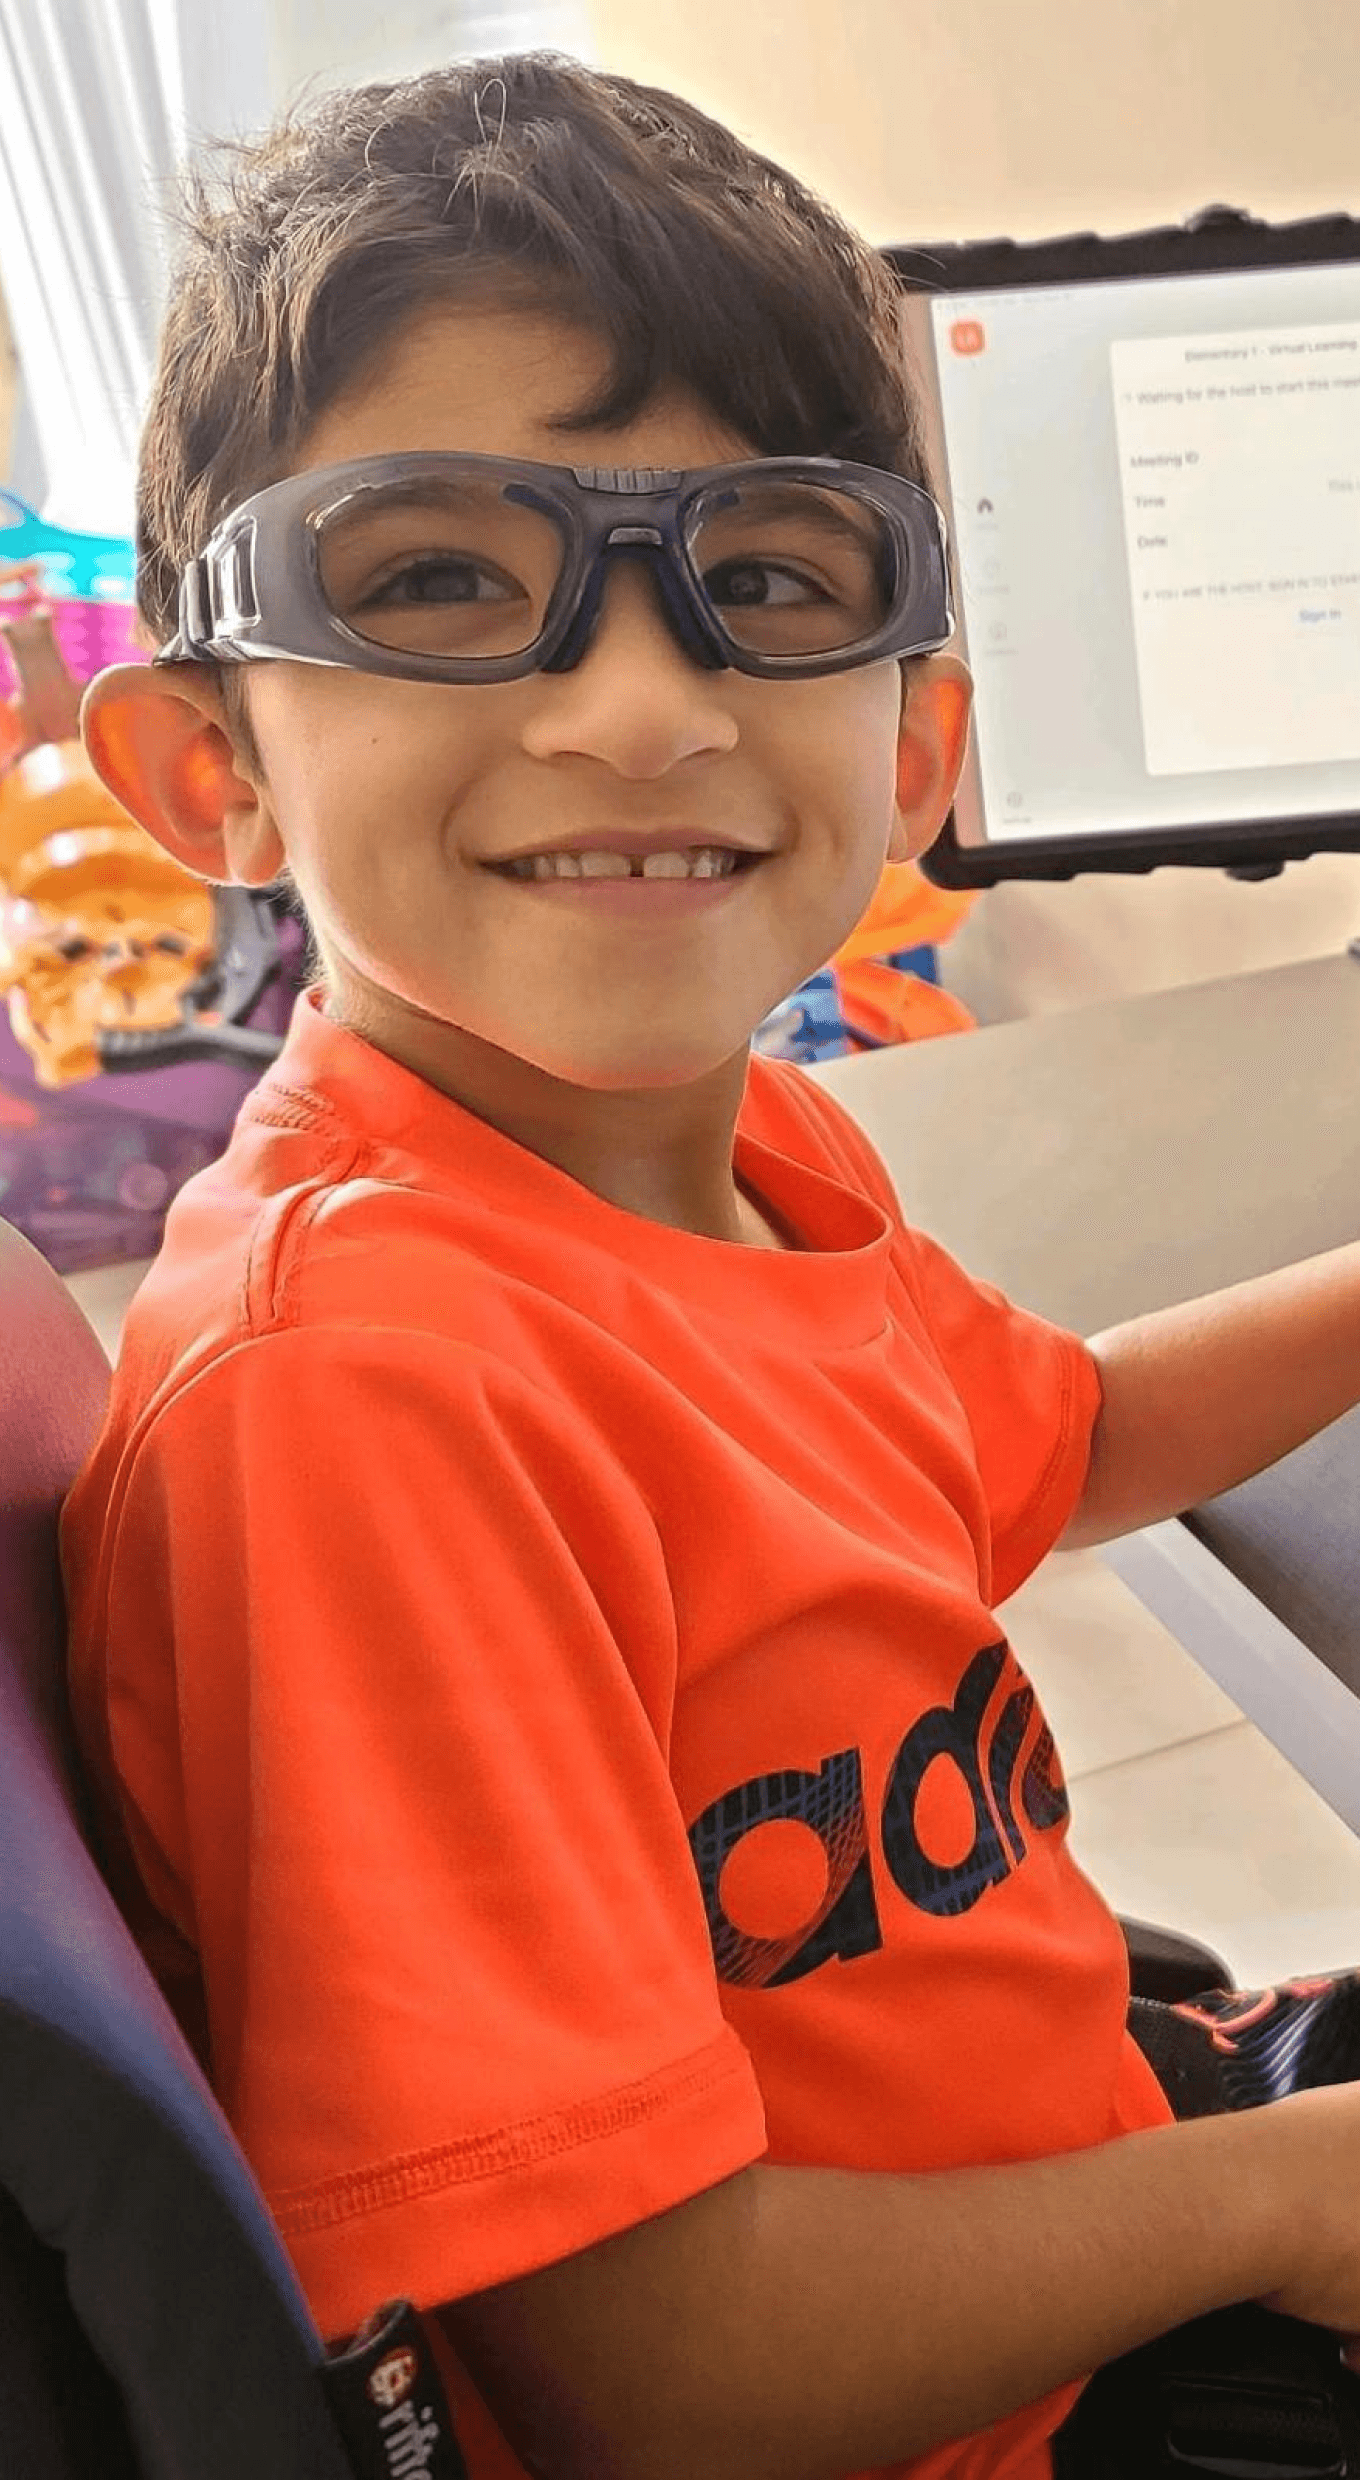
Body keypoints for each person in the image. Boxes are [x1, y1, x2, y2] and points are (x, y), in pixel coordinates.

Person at [57, 52, 1360, 2480]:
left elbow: (1054, 1437)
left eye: (766, 581)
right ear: (209, 775)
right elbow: (659, 2380)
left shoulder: (739, 1153)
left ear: (915, 749)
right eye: (435, 580)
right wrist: (1281, 2196)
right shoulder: (364, 1399)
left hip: (1074, 2155)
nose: (643, 707)